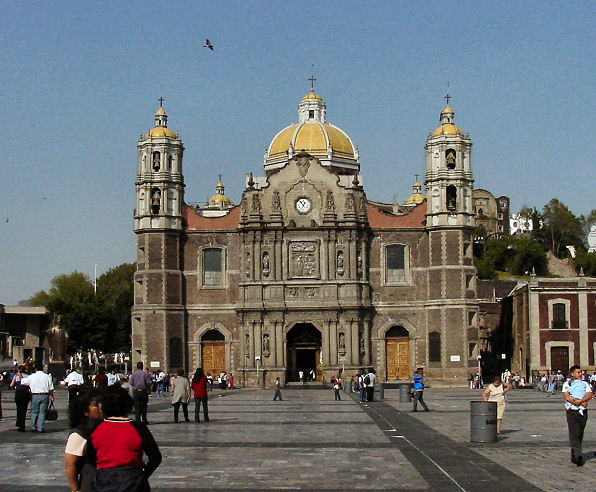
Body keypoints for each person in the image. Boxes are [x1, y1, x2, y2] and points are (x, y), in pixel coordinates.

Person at [90, 386, 162, 491]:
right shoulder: (138, 427)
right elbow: (155, 457)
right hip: (134, 480)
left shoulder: (96, 428)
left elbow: (90, 457)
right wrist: (142, 475)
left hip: (104, 480)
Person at [64, 388, 104, 492]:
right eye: (96, 405)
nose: (101, 407)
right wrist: (75, 489)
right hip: (90, 485)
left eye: (101, 403)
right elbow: (70, 463)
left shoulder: (105, 427)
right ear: (85, 411)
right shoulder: (79, 433)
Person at [563, 365, 593, 466]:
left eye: (581, 372)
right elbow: (567, 397)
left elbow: (589, 395)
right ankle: (578, 455)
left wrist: (581, 401)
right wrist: (578, 402)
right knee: (574, 432)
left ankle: (574, 454)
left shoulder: (585, 383)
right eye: (578, 372)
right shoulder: (566, 384)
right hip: (572, 411)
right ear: (572, 373)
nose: (581, 374)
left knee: (580, 433)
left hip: (583, 412)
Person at [20, 363, 55, 432]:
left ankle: (33, 427)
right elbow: (51, 388)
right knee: (42, 412)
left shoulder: (32, 376)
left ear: (35, 369)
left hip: (35, 395)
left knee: (34, 412)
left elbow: (23, 382)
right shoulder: (47, 376)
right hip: (45, 395)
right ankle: (40, 427)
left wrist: (20, 375)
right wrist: (52, 396)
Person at [10, 366, 31, 432]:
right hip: (26, 393)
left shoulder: (16, 376)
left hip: (18, 393)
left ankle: (19, 424)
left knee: (19, 409)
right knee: (24, 410)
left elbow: (11, 385)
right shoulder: (28, 376)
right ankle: (22, 425)